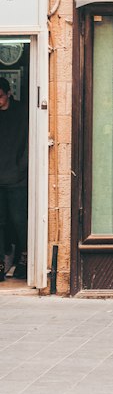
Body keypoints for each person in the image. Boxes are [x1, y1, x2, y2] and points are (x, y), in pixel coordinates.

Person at [0, 76, 29, 280]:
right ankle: (1, 263)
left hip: (18, 178)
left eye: (0, 96)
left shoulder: (22, 112)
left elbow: (30, 141)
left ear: (9, 93)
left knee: (20, 221)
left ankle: (25, 260)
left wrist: (22, 167)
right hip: (3, 177)